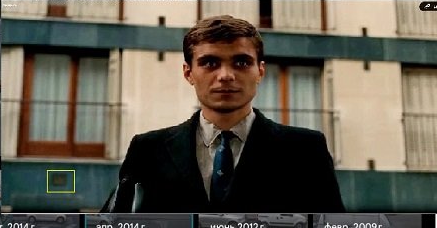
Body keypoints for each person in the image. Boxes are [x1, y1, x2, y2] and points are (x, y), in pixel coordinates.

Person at [103, 15, 345, 213]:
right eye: (210, 63)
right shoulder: (147, 150)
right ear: (188, 73)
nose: (226, 75)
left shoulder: (306, 150)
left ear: (260, 71)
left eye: (241, 63)